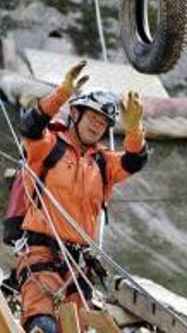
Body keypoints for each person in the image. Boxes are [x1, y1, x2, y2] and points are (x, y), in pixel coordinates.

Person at [16, 60, 147, 333]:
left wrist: (134, 130)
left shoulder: (103, 163)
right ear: (75, 114)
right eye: (93, 118)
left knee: (75, 327)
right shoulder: (48, 146)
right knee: (42, 323)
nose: (97, 126)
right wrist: (61, 94)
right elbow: (30, 126)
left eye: (103, 123)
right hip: (41, 254)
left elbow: (135, 161)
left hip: (78, 267)